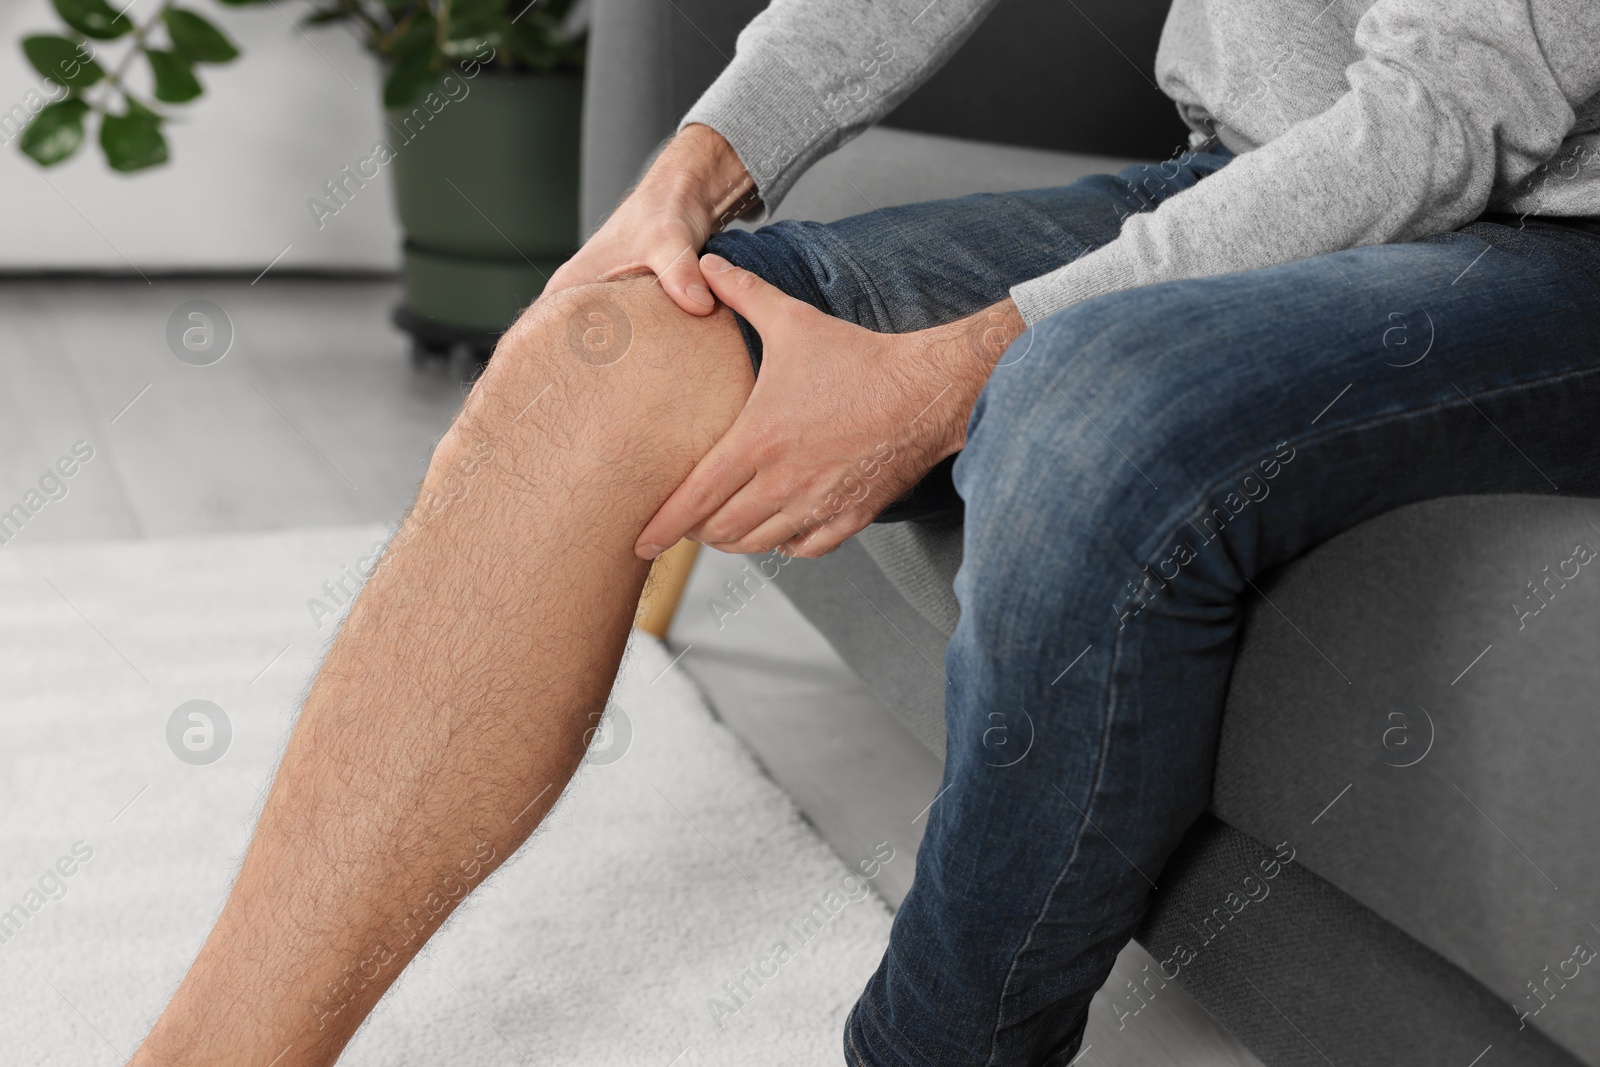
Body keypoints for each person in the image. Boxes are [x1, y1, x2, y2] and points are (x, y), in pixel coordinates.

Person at [128, 0, 1600, 1064]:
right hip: (1242, 169)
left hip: (1545, 238)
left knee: (1074, 397)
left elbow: (1450, 112)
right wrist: (693, 177)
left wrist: (955, 373)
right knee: (619, 352)